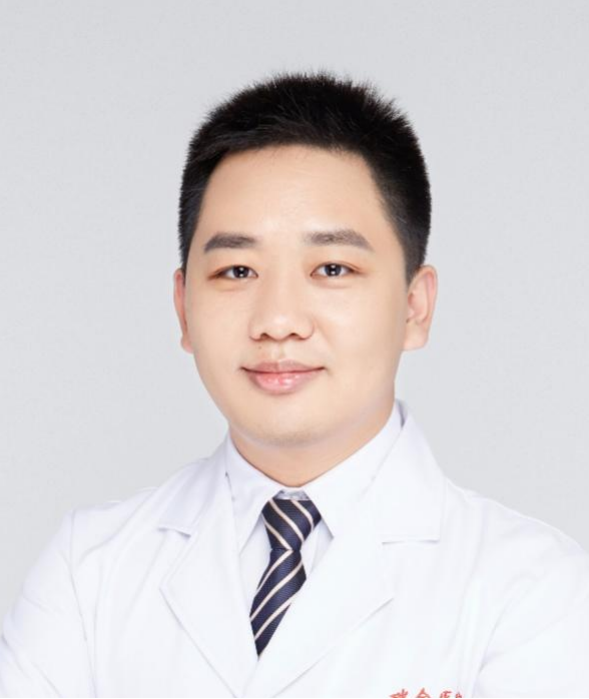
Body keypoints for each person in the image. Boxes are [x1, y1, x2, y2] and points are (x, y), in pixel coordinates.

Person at [1, 69, 588, 699]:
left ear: (414, 307)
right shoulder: (88, 571)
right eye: (237, 270)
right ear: (183, 309)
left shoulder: (533, 588)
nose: (278, 320)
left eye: (331, 268)